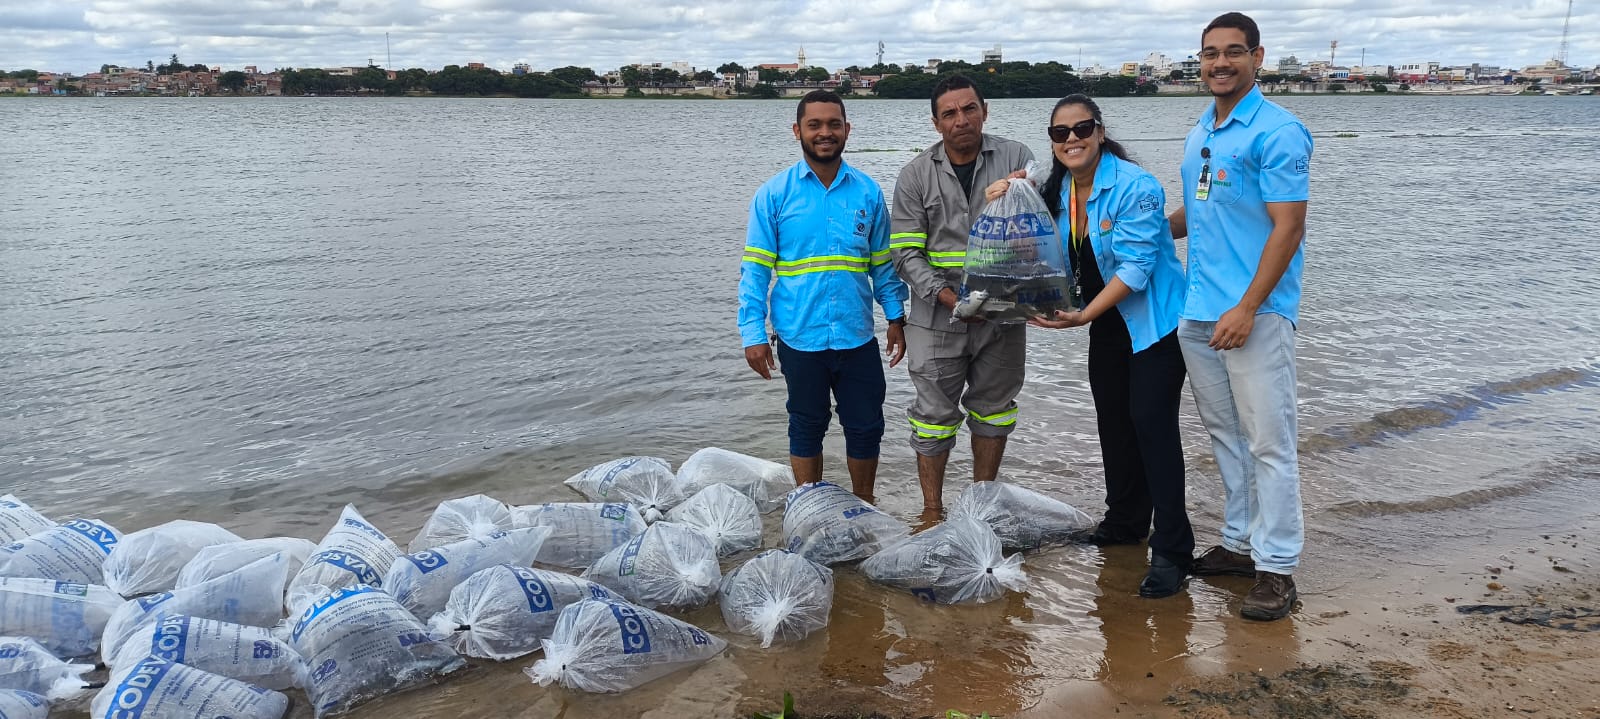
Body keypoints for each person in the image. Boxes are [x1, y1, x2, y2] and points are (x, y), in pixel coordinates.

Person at [986, 94, 1193, 598]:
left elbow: (1137, 270)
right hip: (1107, 324)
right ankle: (1124, 523)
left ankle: (1173, 548)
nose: (1072, 139)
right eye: (1061, 133)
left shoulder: (1135, 185)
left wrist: (1082, 315)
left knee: (1152, 426)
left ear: (1100, 131)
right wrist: (1006, 187)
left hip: (1155, 325)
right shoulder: (1059, 188)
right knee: (1113, 423)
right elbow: (1021, 197)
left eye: (1082, 129)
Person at [1170, 11, 1313, 621]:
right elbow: (1197, 213)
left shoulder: (1278, 132)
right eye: (1210, 53)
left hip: (1254, 316)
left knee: (1269, 443)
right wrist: (1127, 225)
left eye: (1233, 52)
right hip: (1198, 312)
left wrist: (1249, 307)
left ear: (1258, 57)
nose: (1219, 63)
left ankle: (1277, 569)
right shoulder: (1203, 126)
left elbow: (1289, 226)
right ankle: (1237, 544)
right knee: (1225, 435)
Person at [739, 90, 909, 503]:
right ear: (797, 131)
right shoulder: (774, 195)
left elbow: (882, 265)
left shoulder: (867, 193)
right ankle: (810, 506)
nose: (825, 133)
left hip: (856, 335)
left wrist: (895, 318)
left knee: (866, 426)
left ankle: (863, 505)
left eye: (833, 124)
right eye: (814, 125)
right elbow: (755, 271)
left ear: (847, 130)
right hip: (800, 335)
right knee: (806, 423)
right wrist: (752, 334)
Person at [890, 75, 1034, 518]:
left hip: (1004, 315)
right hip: (936, 317)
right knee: (931, 418)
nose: (961, 120)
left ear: (985, 111)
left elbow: (1038, 231)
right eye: (949, 113)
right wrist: (950, 297)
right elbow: (905, 253)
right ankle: (931, 512)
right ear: (936, 123)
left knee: (994, 411)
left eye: (969, 109)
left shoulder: (1017, 158)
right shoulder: (915, 174)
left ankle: (981, 508)